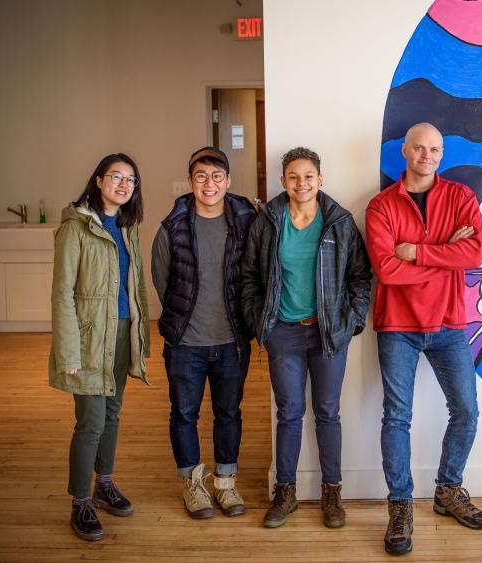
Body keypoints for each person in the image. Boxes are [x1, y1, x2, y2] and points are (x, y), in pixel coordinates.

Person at [365, 123, 482, 555]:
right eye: (419, 148)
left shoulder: (461, 198)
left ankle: (447, 489)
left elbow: (474, 253)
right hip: (397, 325)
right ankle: (400, 505)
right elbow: (386, 269)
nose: (427, 155)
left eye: (435, 149)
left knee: (467, 411)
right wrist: (444, 254)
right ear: (405, 150)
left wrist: (416, 250)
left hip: (449, 324)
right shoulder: (381, 206)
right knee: (396, 417)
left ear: (442, 152)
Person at [241, 147, 373, 529]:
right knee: (289, 413)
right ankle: (285, 493)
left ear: (320, 179)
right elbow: (249, 277)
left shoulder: (339, 221)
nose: (302, 183)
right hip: (283, 332)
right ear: (283, 181)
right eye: (294, 177)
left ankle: (332, 493)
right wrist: (259, 323)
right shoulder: (268, 220)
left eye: (309, 176)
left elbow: (359, 276)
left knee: (328, 413)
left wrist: (351, 321)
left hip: (329, 333)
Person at [49, 153, 150, 541]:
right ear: (98, 180)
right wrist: (68, 352)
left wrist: (140, 339)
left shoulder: (127, 226)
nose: (124, 184)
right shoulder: (75, 227)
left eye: (131, 180)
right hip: (89, 338)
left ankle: (104, 484)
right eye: (116, 176)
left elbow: (136, 288)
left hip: (122, 333)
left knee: (111, 412)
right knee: (90, 421)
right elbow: (62, 295)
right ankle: (80, 502)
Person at [152, 147, 256, 519]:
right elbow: (162, 281)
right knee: (184, 414)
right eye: (201, 177)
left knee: (229, 413)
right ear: (191, 181)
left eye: (216, 177)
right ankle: (193, 486)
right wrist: (182, 321)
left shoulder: (246, 220)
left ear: (227, 181)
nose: (209, 184)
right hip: (186, 344)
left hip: (232, 342)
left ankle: (225, 485)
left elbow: (255, 274)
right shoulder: (174, 226)